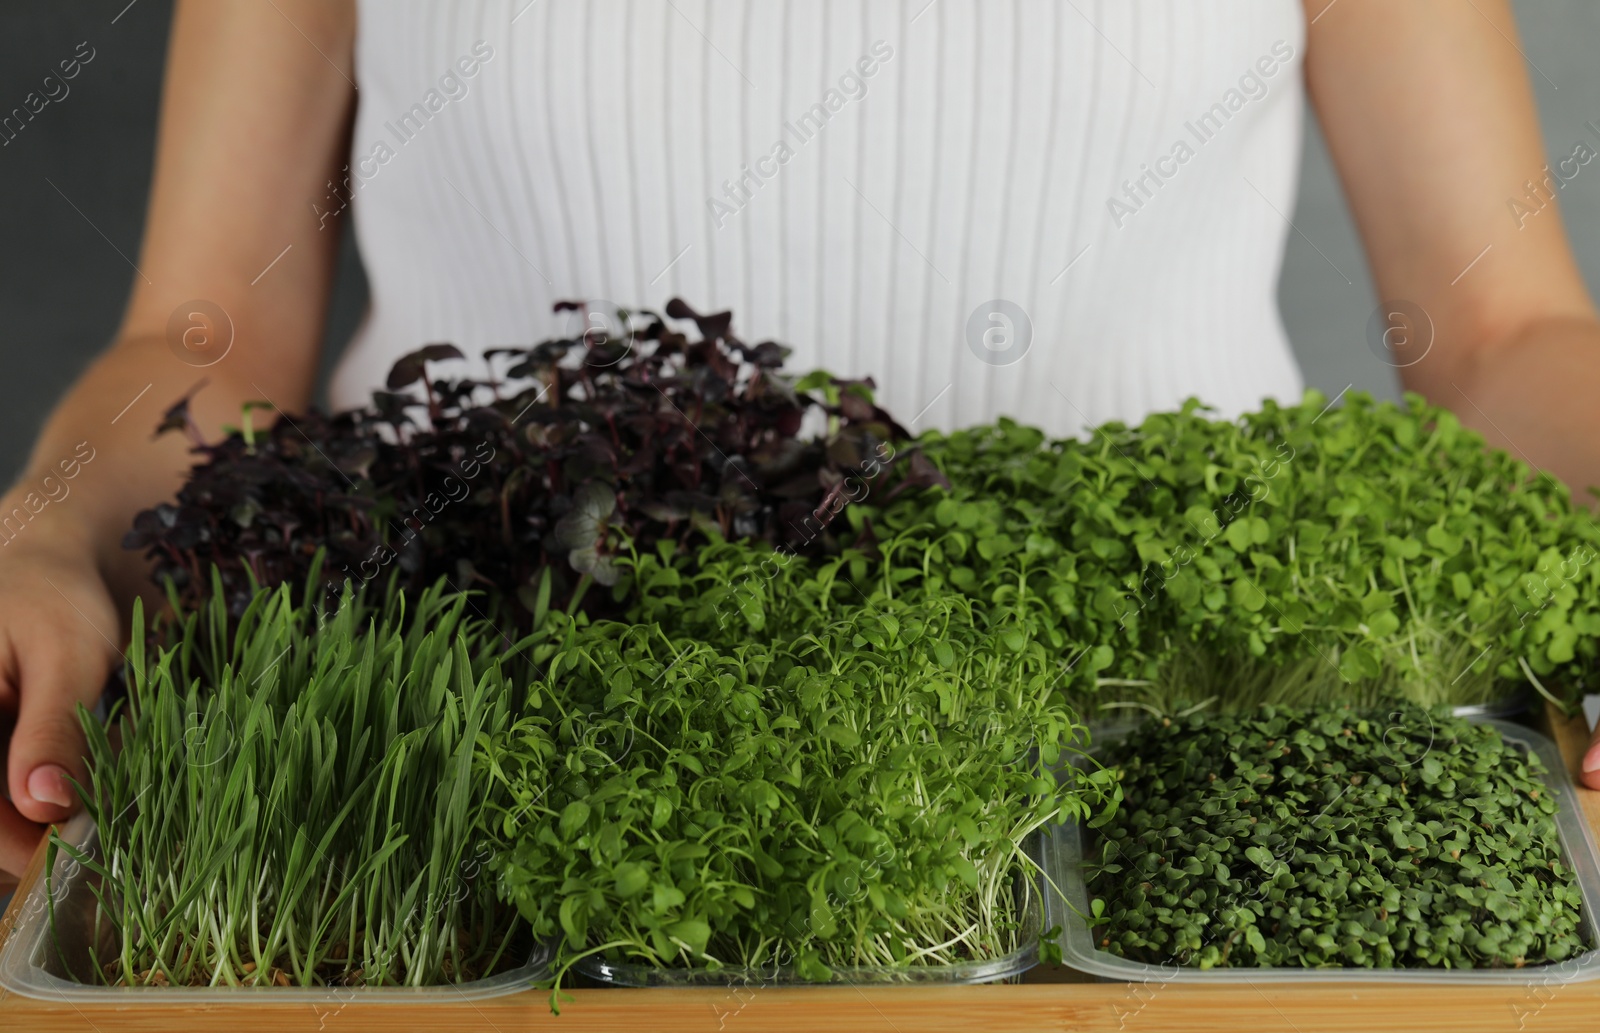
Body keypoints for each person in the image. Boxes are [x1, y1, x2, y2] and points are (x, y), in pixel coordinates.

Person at [3, 0, 1599, 876]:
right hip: (506, 770)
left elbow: (1498, 333)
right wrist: (53, 534)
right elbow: (206, 340)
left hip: (1181, 771)